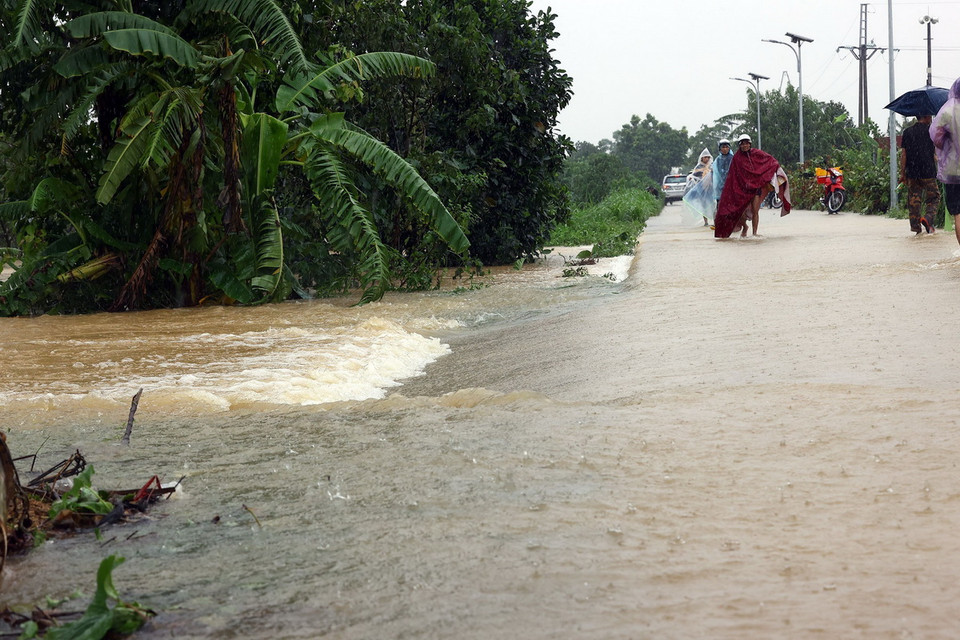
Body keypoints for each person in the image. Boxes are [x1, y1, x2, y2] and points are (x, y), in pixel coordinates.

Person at [714, 134, 791, 238]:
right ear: (740, 145)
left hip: (755, 187)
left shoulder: (757, 153)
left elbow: (771, 161)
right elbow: (733, 175)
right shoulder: (736, 158)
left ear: (750, 144)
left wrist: (776, 169)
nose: (745, 146)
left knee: (755, 210)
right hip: (742, 189)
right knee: (739, 212)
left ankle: (755, 233)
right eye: (742, 144)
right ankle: (745, 226)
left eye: (747, 143)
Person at [932, 76, 960, 248]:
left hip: (953, 170)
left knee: (958, 212)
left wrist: (948, 144)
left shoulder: (948, 111)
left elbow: (935, 136)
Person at [900, 114, 940, 234]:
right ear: (926, 116)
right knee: (934, 197)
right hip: (928, 171)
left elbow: (904, 155)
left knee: (914, 200)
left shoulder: (907, 132)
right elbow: (936, 153)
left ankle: (916, 228)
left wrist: (902, 174)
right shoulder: (931, 131)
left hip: (912, 172)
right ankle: (928, 218)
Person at [685, 149, 713, 226]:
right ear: (702, 158)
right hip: (702, 189)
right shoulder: (698, 167)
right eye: (705, 157)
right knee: (704, 205)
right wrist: (691, 179)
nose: (707, 159)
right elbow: (694, 176)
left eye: (708, 157)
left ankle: (715, 221)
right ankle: (706, 221)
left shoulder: (712, 166)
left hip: (711, 188)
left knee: (713, 204)